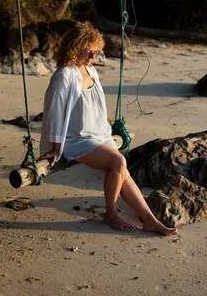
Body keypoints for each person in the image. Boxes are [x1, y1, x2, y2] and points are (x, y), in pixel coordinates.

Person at [39, 22, 177, 236]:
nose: (94, 56)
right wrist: (56, 147)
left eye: (96, 51)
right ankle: (111, 214)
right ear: (75, 47)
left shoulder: (91, 71)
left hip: (98, 133)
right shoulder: (63, 76)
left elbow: (95, 104)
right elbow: (54, 112)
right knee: (118, 162)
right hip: (75, 139)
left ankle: (150, 220)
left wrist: (107, 126)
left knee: (124, 173)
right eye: (90, 51)